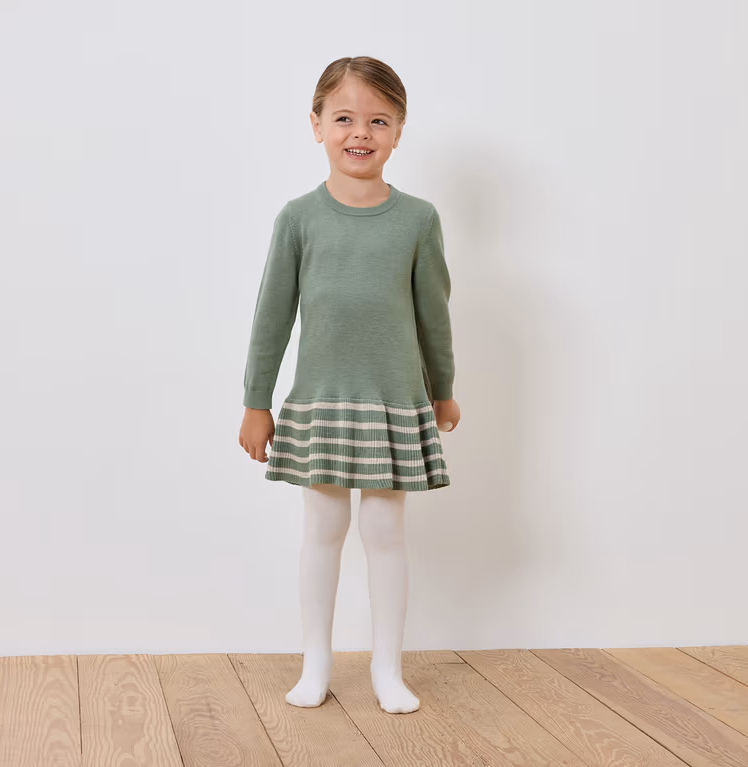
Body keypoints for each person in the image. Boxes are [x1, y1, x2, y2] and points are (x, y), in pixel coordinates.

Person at [238, 56, 461, 715]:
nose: (360, 132)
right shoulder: (298, 219)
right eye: (344, 118)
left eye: (378, 121)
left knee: (386, 533)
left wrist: (444, 387)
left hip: (392, 403)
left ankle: (388, 669)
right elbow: (271, 316)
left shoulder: (417, 220)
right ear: (316, 125)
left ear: (399, 131)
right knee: (323, 531)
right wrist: (255, 402)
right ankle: (317, 664)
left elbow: (434, 314)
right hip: (321, 404)